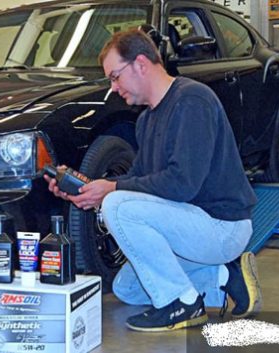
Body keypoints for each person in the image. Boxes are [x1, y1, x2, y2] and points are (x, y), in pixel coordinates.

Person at [44, 29, 262, 332]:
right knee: (128, 289)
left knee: (119, 205)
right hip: (189, 228)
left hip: (221, 227)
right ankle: (225, 276)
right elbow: (139, 181)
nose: (113, 88)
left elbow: (182, 184)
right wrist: (88, 190)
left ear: (141, 63)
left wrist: (113, 191)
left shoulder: (192, 100)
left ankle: (182, 303)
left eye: (115, 76)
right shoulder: (147, 120)